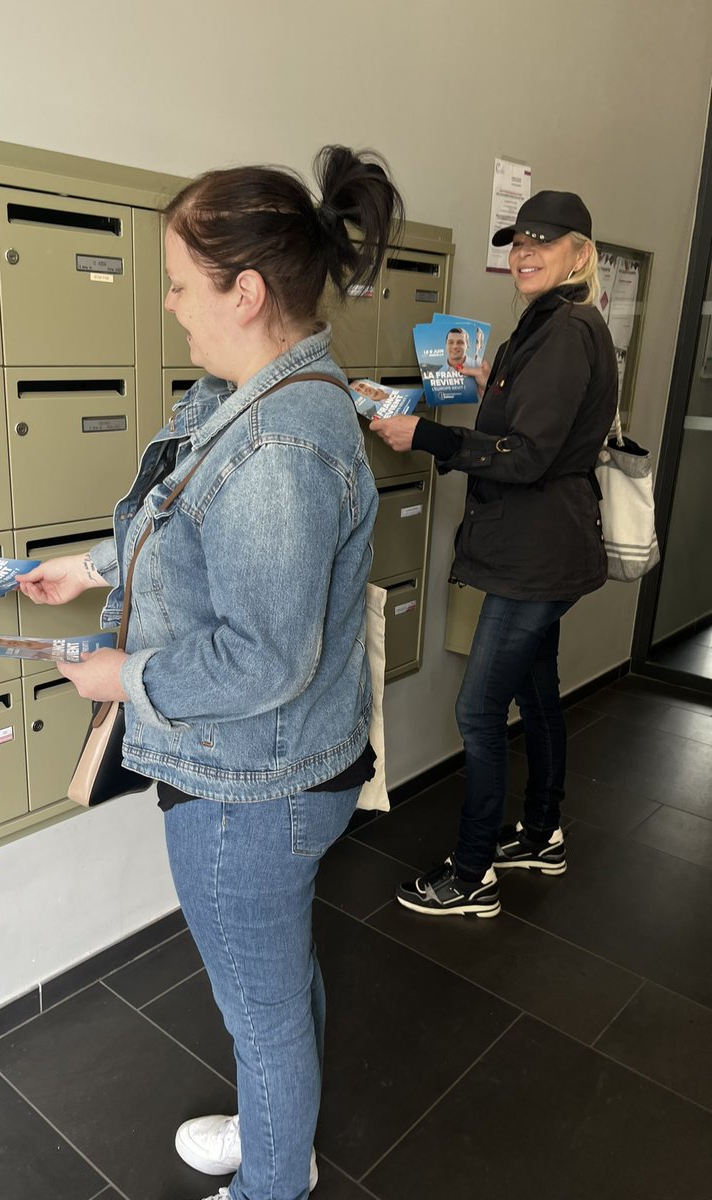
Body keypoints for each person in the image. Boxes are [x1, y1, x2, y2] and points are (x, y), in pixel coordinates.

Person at [17, 146, 404, 1200]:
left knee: (264, 1009)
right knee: (275, 985)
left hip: (249, 788)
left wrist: (122, 679)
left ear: (246, 292)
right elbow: (181, 521)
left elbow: (263, 660)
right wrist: (86, 565)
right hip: (273, 772)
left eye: (184, 284)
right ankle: (279, 1130)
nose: (169, 302)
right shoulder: (250, 393)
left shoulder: (280, 445)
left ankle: (278, 1180)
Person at [371, 189, 617, 918]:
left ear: (580, 252)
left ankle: (471, 872)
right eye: (517, 242)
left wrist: (430, 438)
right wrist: (491, 384)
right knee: (537, 693)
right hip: (545, 548)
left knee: (479, 710)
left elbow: (530, 455)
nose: (526, 253)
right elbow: (539, 423)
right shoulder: (546, 328)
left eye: (544, 241)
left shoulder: (568, 328)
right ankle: (542, 834)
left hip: (535, 556)